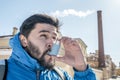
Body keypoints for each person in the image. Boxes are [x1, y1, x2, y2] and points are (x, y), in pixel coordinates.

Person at [6, 14, 96, 80]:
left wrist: (81, 69)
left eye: (54, 37)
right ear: (24, 40)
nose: (52, 43)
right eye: (43, 36)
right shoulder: (3, 71)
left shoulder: (61, 76)